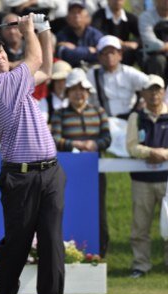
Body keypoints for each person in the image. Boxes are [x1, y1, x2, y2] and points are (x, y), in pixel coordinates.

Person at [0, 14, 66, 294]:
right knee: (16, 247)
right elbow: (35, 58)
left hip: (51, 173)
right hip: (20, 179)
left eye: (1, 51)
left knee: (52, 245)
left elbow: (47, 69)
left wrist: (44, 30)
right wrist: (29, 30)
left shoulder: (16, 79)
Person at [50, 67, 111, 258]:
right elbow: (55, 139)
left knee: (98, 211)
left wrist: (94, 143)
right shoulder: (59, 114)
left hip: (95, 170)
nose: (79, 93)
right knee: (69, 209)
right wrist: (75, 143)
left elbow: (107, 139)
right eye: (74, 89)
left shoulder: (99, 111)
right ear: (67, 92)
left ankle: (100, 253)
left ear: (88, 91)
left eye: (82, 89)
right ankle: (68, 251)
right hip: (68, 170)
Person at [126, 74, 168, 278]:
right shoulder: (136, 117)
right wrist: (150, 152)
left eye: (158, 89)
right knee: (140, 227)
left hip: (167, 180)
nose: (154, 94)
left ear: (163, 91)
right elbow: (131, 146)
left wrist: (163, 154)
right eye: (150, 90)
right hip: (142, 180)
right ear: (143, 93)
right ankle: (141, 265)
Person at [87, 35, 148, 119]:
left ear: (120, 55)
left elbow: (150, 84)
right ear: (99, 56)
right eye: (105, 53)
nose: (109, 56)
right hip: (103, 120)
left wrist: (143, 102)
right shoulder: (92, 74)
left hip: (129, 119)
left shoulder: (129, 72)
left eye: (112, 52)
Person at [55, 0, 103, 68]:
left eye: (79, 12)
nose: (76, 16)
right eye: (73, 12)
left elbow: (101, 54)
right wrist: (88, 50)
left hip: (92, 68)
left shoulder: (95, 34)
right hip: (70, 70)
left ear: (86, 16)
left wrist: (75, 50)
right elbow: (65, 55)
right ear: (67, 17)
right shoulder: (62, 34)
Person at [91, 0, 140, 66]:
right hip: (105, 50)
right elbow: (95, 32)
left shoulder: (130, 17)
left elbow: (140, 35)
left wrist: (135, 42)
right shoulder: (98, 16)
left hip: (124, 52)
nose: (117, 1)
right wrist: (115, 41)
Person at [138, 0, 168, 79]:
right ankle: (156, 90)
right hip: (152, 58)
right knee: (158, 61)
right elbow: (150, 42)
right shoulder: (145, 17)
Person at [45, 59, 72, 124]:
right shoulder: (45, 102)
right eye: (58, 81)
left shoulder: (74, 100)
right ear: (53, 83)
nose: (61, 85)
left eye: (64, 80)